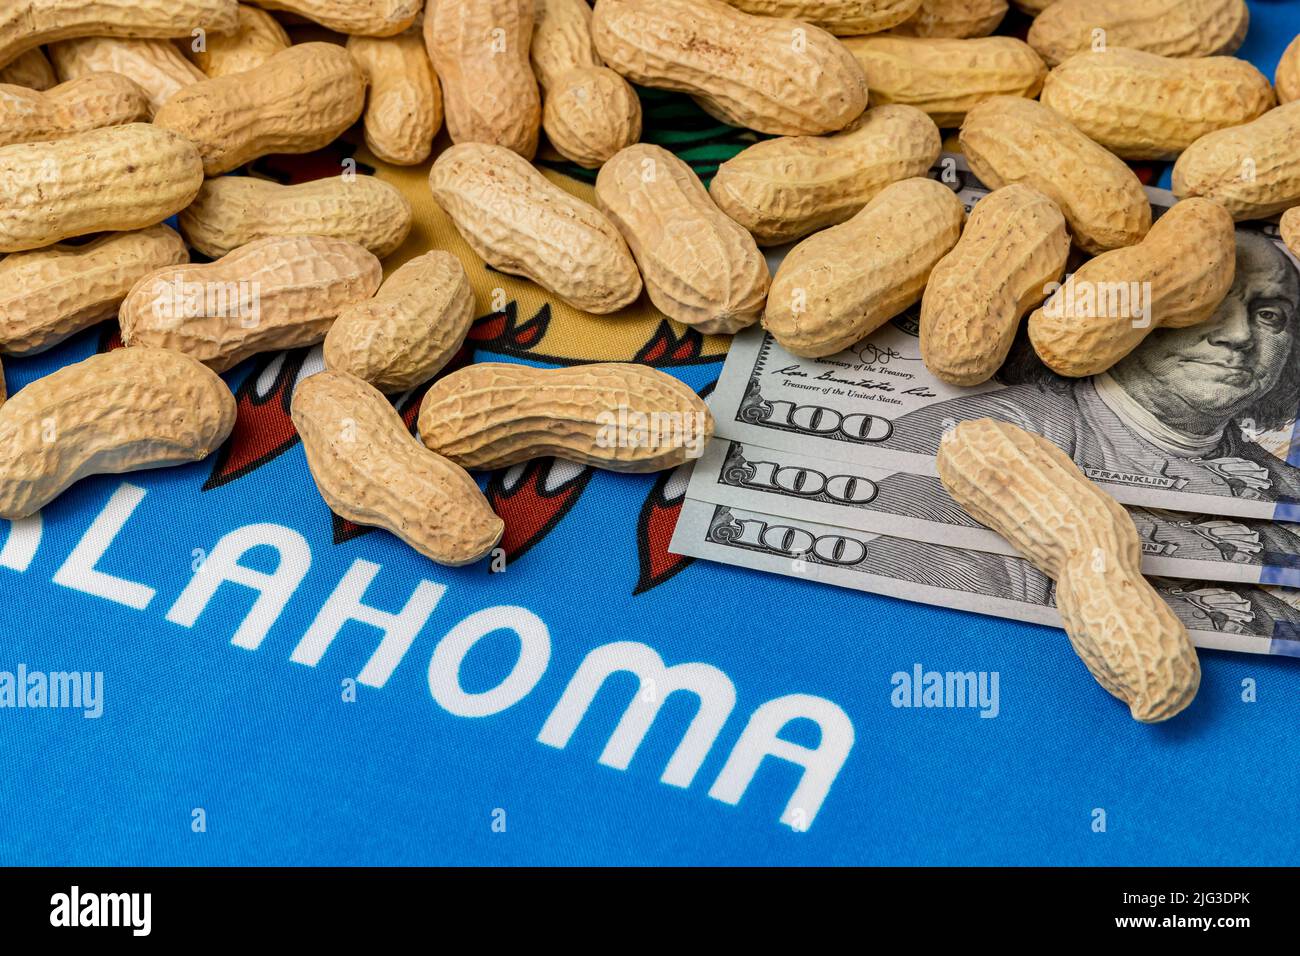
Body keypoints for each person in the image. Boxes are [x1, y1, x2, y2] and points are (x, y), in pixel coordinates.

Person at [886, 231, 1300, 510]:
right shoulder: (974, 439)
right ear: (1127, 315)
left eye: (1269, 314)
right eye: (1205, 305)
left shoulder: (1287, 491)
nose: (1240, 335)